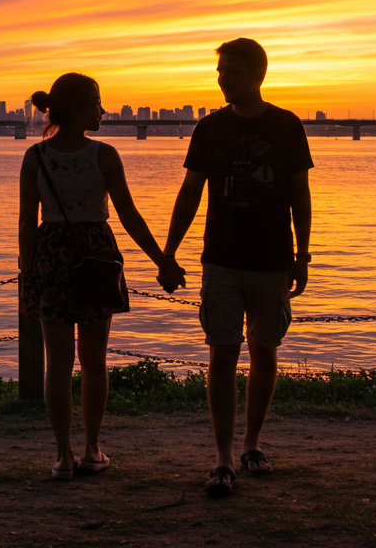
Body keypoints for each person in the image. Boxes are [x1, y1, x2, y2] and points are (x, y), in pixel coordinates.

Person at [161, 38, 313, 496]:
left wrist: (302, 255)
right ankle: (223, 458)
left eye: (229, 71)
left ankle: (251, 445)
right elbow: (190, 193)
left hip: (271, 260)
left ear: (254, 74)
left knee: (264, 352)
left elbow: (299, 195)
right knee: (222, 355)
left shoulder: (287, 126)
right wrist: (169, 252)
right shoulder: (210, 128)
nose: (221, 78)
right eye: (220, 70)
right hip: (221, 260)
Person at [18, 72, 179, 480]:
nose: (103, 109)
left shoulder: (35, 157)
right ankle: (92, 450)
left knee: (57, 362)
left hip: (50, 255)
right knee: (94, 361)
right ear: (75, 109)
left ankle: (62, 456)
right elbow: (129, 216)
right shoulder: (104, 155)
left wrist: (28, 271)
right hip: (95, 254)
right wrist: (161, 260)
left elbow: (26, 222)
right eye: (95, 102)